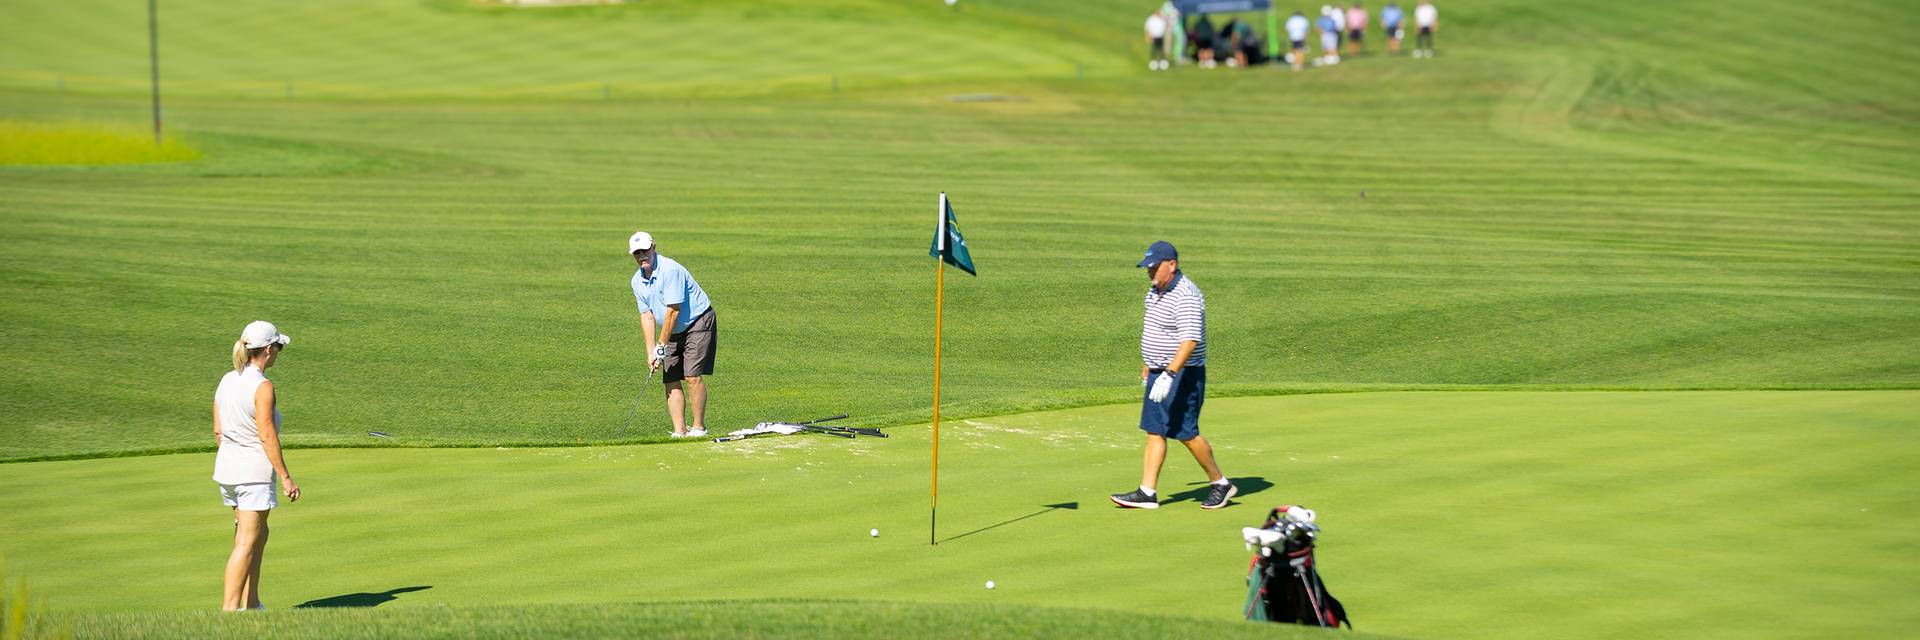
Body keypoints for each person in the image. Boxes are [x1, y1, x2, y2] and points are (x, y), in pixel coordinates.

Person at [1110, 241, 1236, 510]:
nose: (1150, 271)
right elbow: (1157, 330)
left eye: (1154, 267)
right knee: (1155, 430)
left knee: (1185, 432)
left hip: (1182, 374)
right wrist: (1150, 363)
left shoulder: (1185, 295)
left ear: (1172, 265)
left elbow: (1190, 340)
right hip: (1160, 371)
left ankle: (1220, 483)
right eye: (1148, 267)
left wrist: (1169, 373)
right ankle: (1147, 492)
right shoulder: (1156, 290)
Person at [213, 320, 300, 612]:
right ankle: (229, 613)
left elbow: (218, 431)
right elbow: (267, 435)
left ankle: (251, 605)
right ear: (267, 350)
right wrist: (285, 477)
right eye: (278, 348)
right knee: (246, 542)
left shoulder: (227, 379)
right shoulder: (263, 387)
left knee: (258, 535)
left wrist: (234, 460)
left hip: (228, 470)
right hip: (252, 475)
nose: (278, 353)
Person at [630, 231, 718, 438]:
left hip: (697, 321)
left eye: (645, 250)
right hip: (672, 330)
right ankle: (680, 431)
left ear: (653, 247)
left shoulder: (670, 270)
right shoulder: (636, 281)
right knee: (670, 377)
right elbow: (647, 316)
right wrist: (651, 352)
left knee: (691, 375)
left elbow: (673, 311)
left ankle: (699, 428)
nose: (642, 256)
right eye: (637, 253)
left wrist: (661, 345)